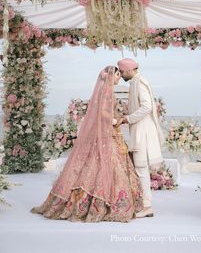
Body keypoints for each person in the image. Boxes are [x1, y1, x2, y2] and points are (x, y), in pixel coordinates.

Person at [31, 66, 143, 223]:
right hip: (108, 133)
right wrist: (114, 120)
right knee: (107, 164)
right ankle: (103, 203)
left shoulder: (106, 90)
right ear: (112, 76)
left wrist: (118, 119)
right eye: (118, 74)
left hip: (110, 134)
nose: (119, 77)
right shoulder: (107, 91)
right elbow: (102, 112)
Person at [117, 58, 165, 218]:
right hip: (139, 131)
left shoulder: (140, 82)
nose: (121, 75)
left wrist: (128, 118)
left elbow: (147, 106)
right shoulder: (136, 81)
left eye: (122, 71)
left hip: (142, 132)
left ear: (130, 70)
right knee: (141, 169)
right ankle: (145, 204)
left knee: (141, 169)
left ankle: (147, 206)